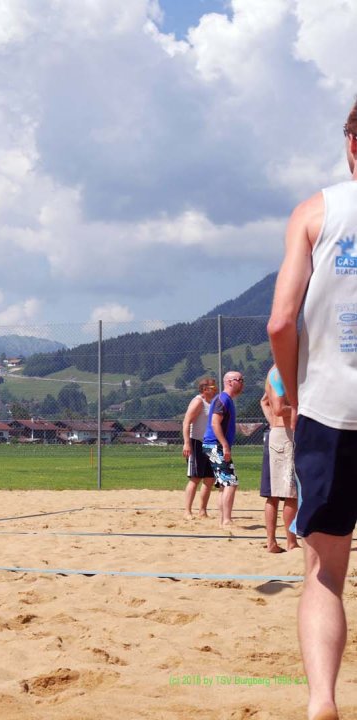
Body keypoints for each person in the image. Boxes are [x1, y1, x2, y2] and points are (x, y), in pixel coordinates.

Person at [268, 99, 357, 720]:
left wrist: (294, 396)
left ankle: (322, 701)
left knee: (325, 573)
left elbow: (280, 321)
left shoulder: (315, 212)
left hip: (331, 409)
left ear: (351, 145)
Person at [258, 364, 299, 554]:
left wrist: (272, 423)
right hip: (284, 436)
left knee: (274, 494)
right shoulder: (280, 372)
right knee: (290, 493)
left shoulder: (275, 372)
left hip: (279, 433)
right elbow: (280, 407)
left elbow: (264, 402)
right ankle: (291, 542)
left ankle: (272, 542)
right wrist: (304, 410)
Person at [201, 371, 244, 528]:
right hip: (215, 445)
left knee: (224, 484)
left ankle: (224, 519)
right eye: (240, 380)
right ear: (230, 382)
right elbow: (214, 423)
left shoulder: (227, 400)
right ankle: (226, 520)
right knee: (231, 483)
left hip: (214, 444)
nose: (242, 383)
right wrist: (224, 445)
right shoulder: (223, 399)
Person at [181, 376, 217, 519]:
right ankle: (187, 511)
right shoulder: (198, 401)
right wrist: (187, 442)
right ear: (205, 389)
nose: (216, 389)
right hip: (197, 442)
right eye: (213, 387)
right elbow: (186, 422)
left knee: (209, 479)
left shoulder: (213, 402)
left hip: (211, 443)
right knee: (195, 478)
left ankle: (202, 510)